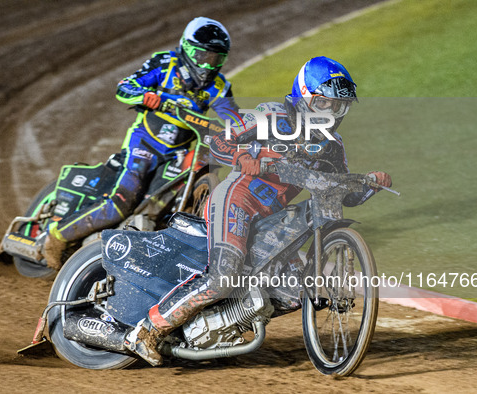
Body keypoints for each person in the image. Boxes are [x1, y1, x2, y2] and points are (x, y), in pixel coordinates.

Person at [123, 56, 393, 366]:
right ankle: (148, 330)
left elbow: (346, 197)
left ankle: (225, 324)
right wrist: (241, 156)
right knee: (223, 276)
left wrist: (370, 184)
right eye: (324, 103)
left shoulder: (333, 145)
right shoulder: (271, 115)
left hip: (274, 216)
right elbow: (217, 140)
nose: (331, 112)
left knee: (293, 292)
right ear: (304, 96)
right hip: (238, 200)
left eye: (338, 106)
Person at [43, 17, 239, 269]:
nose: (207, 64)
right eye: (202, 56)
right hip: (144, 144)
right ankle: (56, 237)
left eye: (215, 58)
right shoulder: (165, 63)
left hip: (177, 155)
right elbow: (125, 87)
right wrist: (148, 95)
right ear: (188, 49)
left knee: (158, 213)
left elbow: (234, 119)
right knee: (122, 204)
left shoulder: (220, 86)